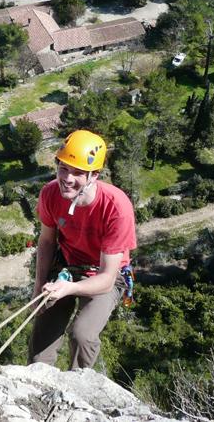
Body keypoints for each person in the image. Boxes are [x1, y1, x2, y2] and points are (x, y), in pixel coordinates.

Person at [28, 129, 137, 370]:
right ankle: (36, 381)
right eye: (63, 168)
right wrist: (38, 289)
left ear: (94, 175)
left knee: (82, 335)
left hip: (103, 274)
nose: (67, 178)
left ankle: (77, 385)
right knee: (40, 343)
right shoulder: (50, 194)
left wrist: (71, 288)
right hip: (66, 266)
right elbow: (46, 242)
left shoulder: (116, 208)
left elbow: (107, 279)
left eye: (77, 172)